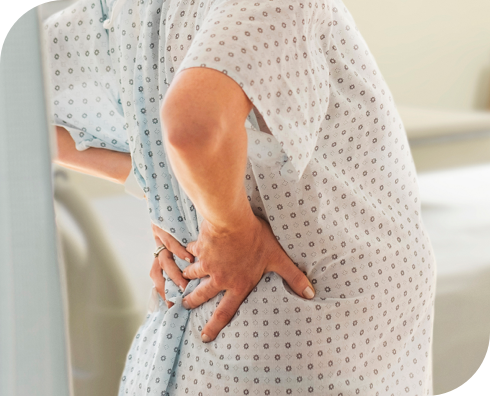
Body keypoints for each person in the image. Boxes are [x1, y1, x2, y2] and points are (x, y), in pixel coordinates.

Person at [43, 0, 437, 395]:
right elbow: (193, 126)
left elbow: (20, 108)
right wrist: (228, 230)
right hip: (310, 324)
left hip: (247, 326)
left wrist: (164, 190)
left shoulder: (124, 8)